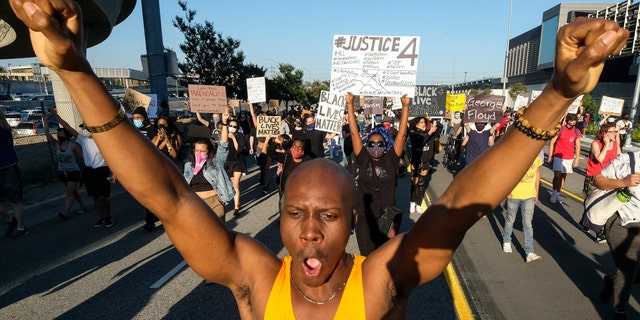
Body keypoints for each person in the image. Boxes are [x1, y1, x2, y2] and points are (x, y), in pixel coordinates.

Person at [12, 3, 627, 317]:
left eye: (328, 216)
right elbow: (167, 199)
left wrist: (559, 94)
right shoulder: (255, 279)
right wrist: (76, 72)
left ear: (350, 213)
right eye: (296, 214)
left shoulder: (381, 281)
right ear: (277, 218)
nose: (309, 230)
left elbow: (458, 209)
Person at [345, 92, 409, 255]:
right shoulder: (363, 157)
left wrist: (405, 107)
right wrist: (350, 105)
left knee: (385, 256)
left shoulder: (391, 159)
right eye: (371, 144)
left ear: (385, 144)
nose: (375, 147)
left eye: (379, 144)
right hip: (365, 216)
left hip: (388, 215)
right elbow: (354, 134)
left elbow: (401, 135)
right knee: (367, 255)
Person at [50, 108, 115, 228]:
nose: (85, 130)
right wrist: (55, 115)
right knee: (95, 197)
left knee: (103, 196)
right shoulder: (82, 139)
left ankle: (108, 216)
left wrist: (113, 173)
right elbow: (67, 126)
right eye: (84, 128)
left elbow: (111, 157)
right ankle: (102, 217)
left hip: (102, 170)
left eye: (87, 127)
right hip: (89, 171)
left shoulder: (103, 140)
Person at [595, 152, 640, 320]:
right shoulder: (629, 160)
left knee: (634, 273)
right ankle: (620, 311)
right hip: (623, 222)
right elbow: (598, 180)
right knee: (628, 269)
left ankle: (611, 282)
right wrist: (624, 182)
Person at [183, 119, 235, 220]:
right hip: (196, 204)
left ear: (209, 151)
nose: (199, 153)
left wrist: (224, 122)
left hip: (214, 202)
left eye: (203, 151)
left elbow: (224, 145)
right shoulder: (188, 166)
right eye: (197, 150)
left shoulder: (216, 163)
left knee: (216, 231)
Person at [580, 123, 622, 242]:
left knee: (603, 204)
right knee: (590, 200)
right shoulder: (596, 144)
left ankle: (598, 232)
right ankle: (593, 227)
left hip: (607, 179)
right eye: (613, 132)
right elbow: (600, 158)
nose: (615, 134)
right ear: (605, 133)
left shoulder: (615, 145)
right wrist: (606, 145)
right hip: (593, 177)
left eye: (616, 132)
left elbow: (620, 159)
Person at [502, 149, 544, 263]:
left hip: (529, 195)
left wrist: (536, 192)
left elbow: (537, 173)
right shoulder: (517, 155)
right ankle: (506, 241)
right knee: (510, 219)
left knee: (528, 223)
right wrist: (508, 190)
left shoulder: (538, 155)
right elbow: (509, 173)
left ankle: (530, 252)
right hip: (514, 194)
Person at [43, 120, 87, 220]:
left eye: (61, 133)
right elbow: (47, 133)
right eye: (58, 133)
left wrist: (89, 168)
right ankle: (83, 206)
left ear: (66, 135)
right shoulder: (57, 145)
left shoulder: (73, 146)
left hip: (73, 172)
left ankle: (65, 212)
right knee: (73, 191)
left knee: (69, 192)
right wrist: (45, 121)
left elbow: (83, 158)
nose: (59, 135)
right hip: (62, 172)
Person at [0, 107, 28, 238]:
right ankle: (10, 220)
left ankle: (21, 227)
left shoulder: (3, 126)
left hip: (9, 168)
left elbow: (2, 119)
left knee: (15, 200)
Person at [548, 113, 582, 204]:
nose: (571, 125)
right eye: (570, 123)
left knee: (563, 176)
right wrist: (551, 155)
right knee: (557, 175)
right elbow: (552, 141)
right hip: (558, 155)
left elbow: (578, 145)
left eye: (574, 124)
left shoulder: (577, 132)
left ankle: (558, 193)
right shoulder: (560, 129)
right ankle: (554, 193)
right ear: (567, 121)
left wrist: (577, 158)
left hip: (569, 157)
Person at [408, 116, 439, 214]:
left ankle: (418, 204)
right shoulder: (413, 133)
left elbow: (440, 127)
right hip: (416, 162)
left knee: (421, 184)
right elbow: (418, 143)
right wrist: (429, 133)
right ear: (416, 124)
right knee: (415, 183)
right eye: (421, 122)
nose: (424, 124)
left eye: (424, 122)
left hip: (425, 162)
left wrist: (431, 120)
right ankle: (412, 202)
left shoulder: (429, 133)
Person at [266, 135, 312, 199]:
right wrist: (275, 143)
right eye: (294, 147)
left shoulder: (308, 162)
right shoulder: (287, 157)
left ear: (303, 150)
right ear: (291, 147)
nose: (296, 150)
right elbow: (271, 153)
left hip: (300, 194)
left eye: (300, 148)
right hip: (285, 191)